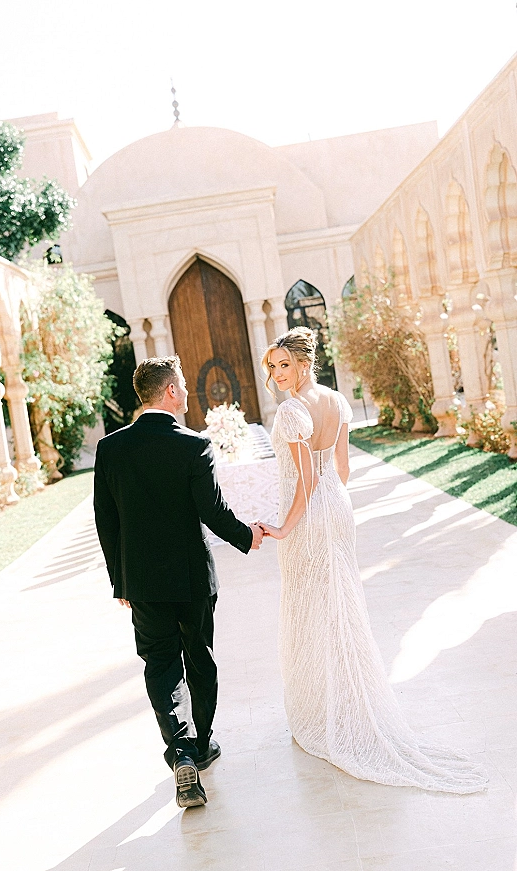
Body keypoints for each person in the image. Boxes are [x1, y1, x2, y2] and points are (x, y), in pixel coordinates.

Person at [259, 327, 487, 793]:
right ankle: (346, 700)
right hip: (338, 507)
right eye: (274, 367)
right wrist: (329, 501)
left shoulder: (290, 411)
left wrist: (284, 527)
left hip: (309, 516)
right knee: (340, 604)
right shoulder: (338, 402)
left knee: (311, 608)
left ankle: (325, 711)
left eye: (285, 364)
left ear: (304, 364)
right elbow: (340, 469)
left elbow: (303, 480)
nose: (278, 374)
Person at [93, 356, 264, 809]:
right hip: (191, 579)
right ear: (170, 391)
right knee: (199, 658)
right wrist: (249, 535)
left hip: (144, 583)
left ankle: (181, 751)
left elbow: (105, 522)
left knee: (161, 664)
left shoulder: (110, 449)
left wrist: (121, 580)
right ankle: (202, 745)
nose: (188, 393)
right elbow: (213, 511)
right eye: (183, 385)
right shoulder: (193, 446)